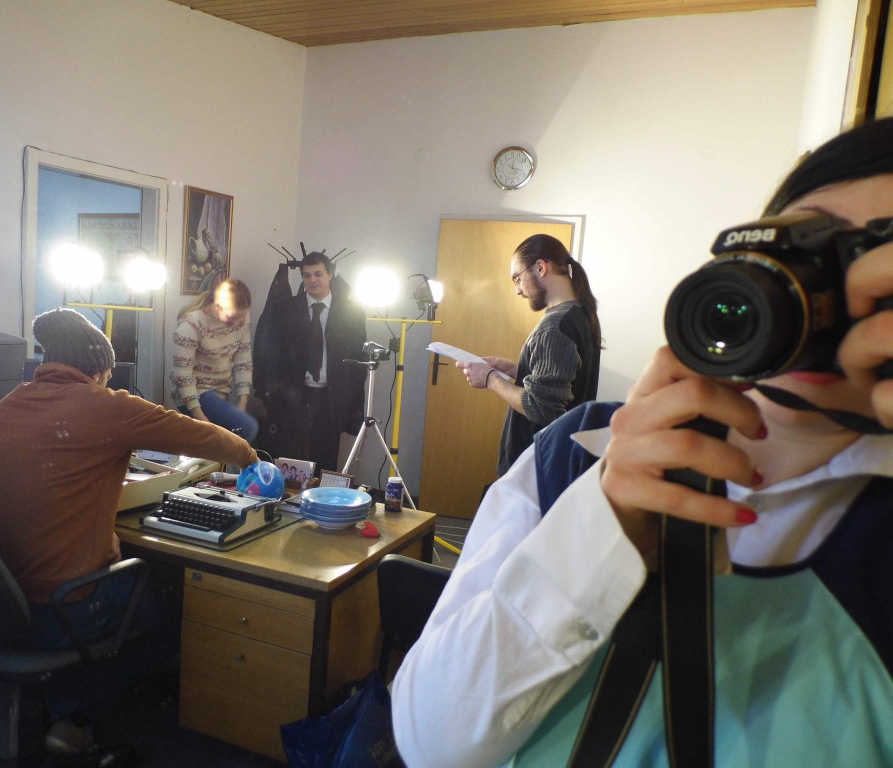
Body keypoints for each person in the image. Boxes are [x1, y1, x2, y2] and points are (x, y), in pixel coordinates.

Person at [392, 117, 893, 768]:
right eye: (815, 255)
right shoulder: (577, 452)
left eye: (877, 272)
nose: (834, 304)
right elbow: (432, 740)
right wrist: (595, 535)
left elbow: (542, 402)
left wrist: (493, 382)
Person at [0, 308, 257, 745]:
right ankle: (69, 702)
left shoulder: (12, 402)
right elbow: (208, 438)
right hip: (61, 608)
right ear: (98, 369)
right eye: (106, 376)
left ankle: (68, 693)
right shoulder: (106, 407)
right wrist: (252, 459)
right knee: (183, 611)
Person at [457, 234, 602, 476]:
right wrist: (518, 370)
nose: (518, 290)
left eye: (517, 278)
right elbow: (566, 381)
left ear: (541, 267)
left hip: (537, 466)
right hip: (561, 460)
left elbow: (542, 408)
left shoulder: (555, 326)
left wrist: (490, 378)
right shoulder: (579, 315)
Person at [259, 252, 367, 472]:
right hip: (293, 396)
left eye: (318, 274)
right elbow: (272, 354)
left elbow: (360, 357)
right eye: (307, 275)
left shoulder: (351, 311)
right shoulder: (285, 309)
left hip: (331, 397)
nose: (313, 280)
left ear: (330, 275)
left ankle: (320, 494)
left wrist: (349, 394)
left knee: (326, 459)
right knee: (288, 460)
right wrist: (273, 392)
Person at [171, 278, 259, 442]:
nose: (237, 323)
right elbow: (183, 375)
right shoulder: (190, 325)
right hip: (194, 392)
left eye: (241, 318)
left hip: (221, 390)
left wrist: (243, 401)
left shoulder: (242, 317)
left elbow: (243, 361)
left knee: (220, 441)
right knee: (248, 427)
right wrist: (200, 416)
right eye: (232, 317)